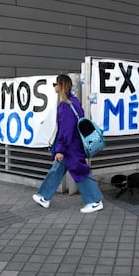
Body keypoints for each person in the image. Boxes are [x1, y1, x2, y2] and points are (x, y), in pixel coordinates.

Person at [32, 74, 104, 213]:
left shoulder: (64, 106)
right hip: (74, 145)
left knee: (81, 172)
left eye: (55, 84)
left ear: (61, 86)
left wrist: (60, 150)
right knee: (57, 170)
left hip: (71, 148)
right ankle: (44, 197)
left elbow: (66, 131)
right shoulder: (74, 101)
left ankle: (95, 201)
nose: (54, 86)